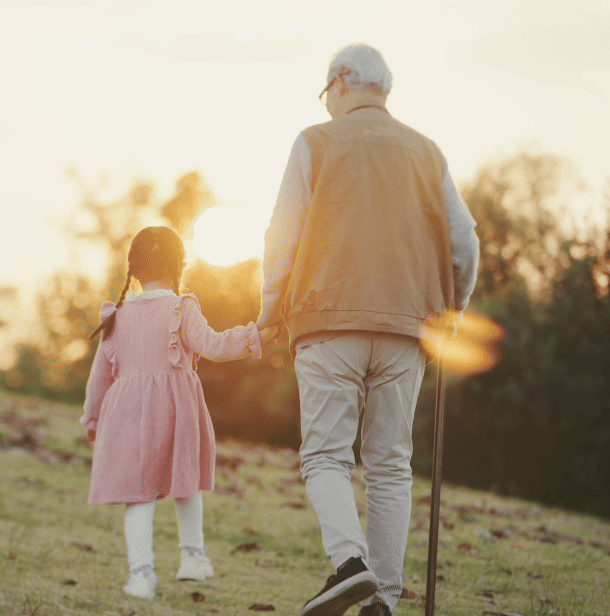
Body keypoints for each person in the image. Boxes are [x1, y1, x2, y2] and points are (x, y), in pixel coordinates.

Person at [257, 44, 480, 616]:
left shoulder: (315, 141)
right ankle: (382, 599)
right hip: (410, 327)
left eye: (327, 91)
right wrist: (454, 308)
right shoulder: (427, 152)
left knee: (326, 456)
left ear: (341, 81)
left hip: (327, 316)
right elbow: (464, 242)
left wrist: (270, 310)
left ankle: (350, 565)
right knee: (389, 464)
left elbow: (283, 233)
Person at [80, 225, 278, 600]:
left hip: (126, 412)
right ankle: (192, 557)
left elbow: (99, 377)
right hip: (175, 407)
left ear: (133, 270)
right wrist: (256, 336)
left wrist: (93, 418)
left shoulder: (117, 316)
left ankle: (141, 576)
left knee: (138, 495)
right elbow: (214, 346)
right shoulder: (182, 307)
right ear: (180, 265)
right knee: (186, 482)